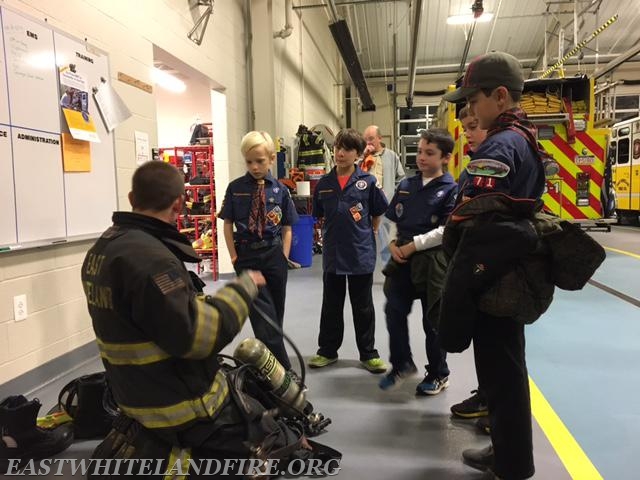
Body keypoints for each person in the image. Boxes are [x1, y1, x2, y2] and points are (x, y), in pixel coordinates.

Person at [81, 160, 269, 459]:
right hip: (179, 409)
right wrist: (242, 290)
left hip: (132, 398)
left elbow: (145, 318)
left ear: (131, 199)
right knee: (267, 422)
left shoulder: (101, 250)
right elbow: (198, 337)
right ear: (180, 203)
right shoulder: (153, 260)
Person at [442, 51, 546, 480]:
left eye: (475, 99)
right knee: (504, 370)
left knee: (501, 372)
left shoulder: (503, 144)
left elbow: (482, 221)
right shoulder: (522, 137)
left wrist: (462, 286)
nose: (469, 109)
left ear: (500, 96)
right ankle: (507, 451)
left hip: (492, 276)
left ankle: (512, 462)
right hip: (504, 273)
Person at [378, 128, 458, 392]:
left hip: (432, 261)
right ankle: (402, 363)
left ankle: (438, 373)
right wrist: (392, 243)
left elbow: (446, 230)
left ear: (445, 157)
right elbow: (393, 219)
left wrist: (414, 246)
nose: (421, 157)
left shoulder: (450, 190)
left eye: (429, 153)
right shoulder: (406, 186)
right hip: (402, 257)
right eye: (420, 151)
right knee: (394, 309)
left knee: (432, 319)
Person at [307, 128, 389, 373]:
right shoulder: (324, 184)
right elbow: (319, 215)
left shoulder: (367, 182)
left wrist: (369, 233)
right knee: (331, 304)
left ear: (357, 154)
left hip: (360, 253)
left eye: (346, 149)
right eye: (337, 148)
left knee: (362, 305)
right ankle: (327, 351)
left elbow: (377, 213)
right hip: (333, 254)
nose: (340, 153)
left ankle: (368, 353)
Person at [219, 131, 299, 375]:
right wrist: (233, 256)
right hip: (248, 258)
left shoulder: (281, 190)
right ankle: (284, 373)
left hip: (274, 256)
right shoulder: (236, 188)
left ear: (272, 159)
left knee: (276, 315)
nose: (254, 167)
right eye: (249, 161)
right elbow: (227, 223)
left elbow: (287, 227)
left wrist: (283, 256)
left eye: (260, 161)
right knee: (264, 318)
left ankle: (265, 366)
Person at [449, 106, 490, 419]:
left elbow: (478, 207)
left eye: (474, 126)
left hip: (491, 263)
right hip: (473, 260)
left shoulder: (493, 163)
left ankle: (495, 408)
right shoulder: (473, 166)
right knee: (482, 335)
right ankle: (487, 393)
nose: (468, 133)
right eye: (465, 128)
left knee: (498, 345)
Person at [361, 125, 405, 265]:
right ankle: (363, 267)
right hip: (364, 206)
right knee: (363, 240)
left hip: (386, 205)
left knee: (388, 240)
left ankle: (389, 269)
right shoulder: (361, 157)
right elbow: (353, 173)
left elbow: (401, 178)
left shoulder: (391, 156)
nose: (368, 142)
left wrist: (394, 197)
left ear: (380, 138)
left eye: (371, 139)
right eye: (366, 139)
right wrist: (362, 156)